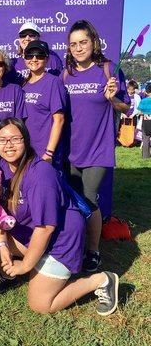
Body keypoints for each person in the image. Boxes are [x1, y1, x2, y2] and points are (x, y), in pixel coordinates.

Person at [0, 118, 119, 316]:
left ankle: (101, 280)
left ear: (26, 140)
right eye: (2, 140)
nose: (8, 145)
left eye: (15, 138)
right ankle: (12, 274)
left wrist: (25, 265)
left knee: (41, 304)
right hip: (32, 236)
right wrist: (3, 246)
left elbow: (46, 228)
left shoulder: (41, 174)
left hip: (60, 240)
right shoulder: (2, 169)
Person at [63, 20, 130, 272]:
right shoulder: (67, 73)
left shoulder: (108, 69)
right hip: (70, 150)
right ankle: (75, 246)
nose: (79, 48)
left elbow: (125, 108)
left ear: (94, 42)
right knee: (73, 200)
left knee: (89, 200)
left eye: (83, 42)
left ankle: (93, 251)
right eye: (73, 44)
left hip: (98, 150)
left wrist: (113, 98)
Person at [22, 40, 66, 168]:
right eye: (30, 55)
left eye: (39, 55)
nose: (34, 59)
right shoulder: (24, 84)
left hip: (45, 153)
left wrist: (49, 153)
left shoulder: (53, 82)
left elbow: (59, 119)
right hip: (26, 152)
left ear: (46, 59)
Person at [137, 83, 151, 159]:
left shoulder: (143, 101)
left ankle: (145, 156)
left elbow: (139, 112)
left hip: (146, 122)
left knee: (145, 139)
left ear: (146, 91)